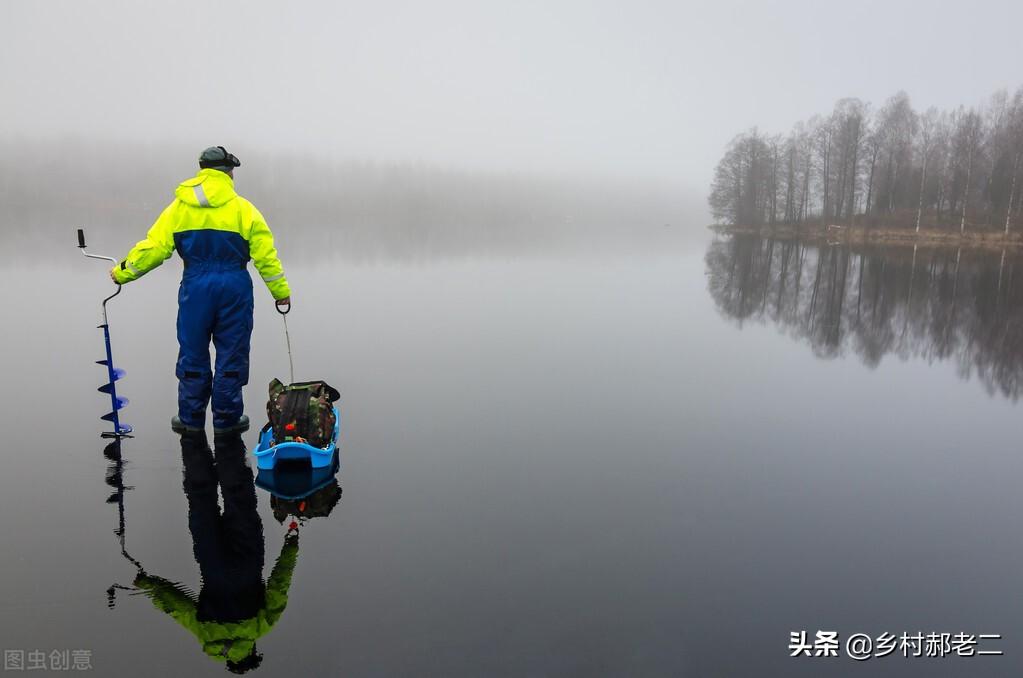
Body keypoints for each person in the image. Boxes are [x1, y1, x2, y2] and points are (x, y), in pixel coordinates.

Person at [110, 146, 291, 433]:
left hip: (195, 287)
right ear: (229, 172)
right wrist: (280, 292)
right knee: (231, 352)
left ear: (202, 170)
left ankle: (191, 420)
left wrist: (123, 272)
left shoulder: (178, 209)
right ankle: (227, 421)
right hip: (234, 287)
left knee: (193, 350)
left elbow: (154, 248)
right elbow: (266, 258)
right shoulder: (245, 210)